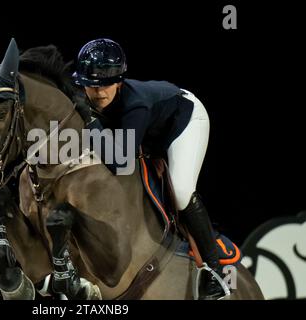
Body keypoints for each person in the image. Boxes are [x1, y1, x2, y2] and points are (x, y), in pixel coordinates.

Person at [73, 38, 225, 300]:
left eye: (106, 84)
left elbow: (120, 162)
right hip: (148, 133)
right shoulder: (87, 97)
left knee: (180, 190)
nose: (99, 93)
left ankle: (215, 272)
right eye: (91, 85)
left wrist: (89, 122)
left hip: (184, 122)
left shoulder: (136, 104)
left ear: (119, 81)